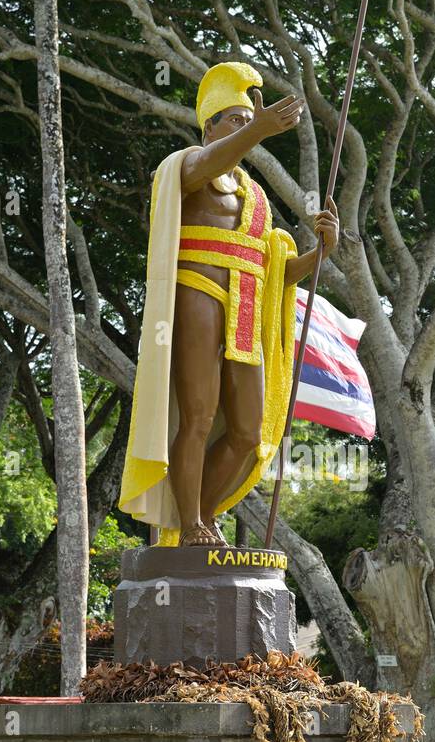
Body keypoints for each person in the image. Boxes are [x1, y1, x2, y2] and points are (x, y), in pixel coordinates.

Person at [119, 61, 339, 545]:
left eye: (248, 120)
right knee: (196, 415)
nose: (243, 127)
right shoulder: (187, 166)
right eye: (234, 120)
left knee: (248, 431)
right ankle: (193, 525)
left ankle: (203, 513)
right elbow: (208, 164)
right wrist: (257, 130)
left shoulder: (254, 196)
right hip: (196, 293)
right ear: (209, 127)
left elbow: (276, 273)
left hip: (245, 308)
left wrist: (320, 252)